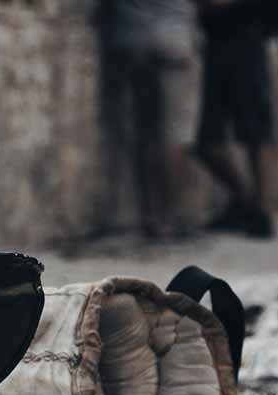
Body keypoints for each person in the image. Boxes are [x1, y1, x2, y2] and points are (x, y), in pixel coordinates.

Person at [97, 0, 201, 241]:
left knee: (146, 134)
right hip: (174, 39)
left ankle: (152, 219)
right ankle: (173, 217)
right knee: (175, 136)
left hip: (132, 39)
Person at [195, 0, 278, 238]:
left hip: (244, 43)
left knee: (255, 131)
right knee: (206, 141)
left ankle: (259, 208)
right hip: (214, 44)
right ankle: (249, 203)